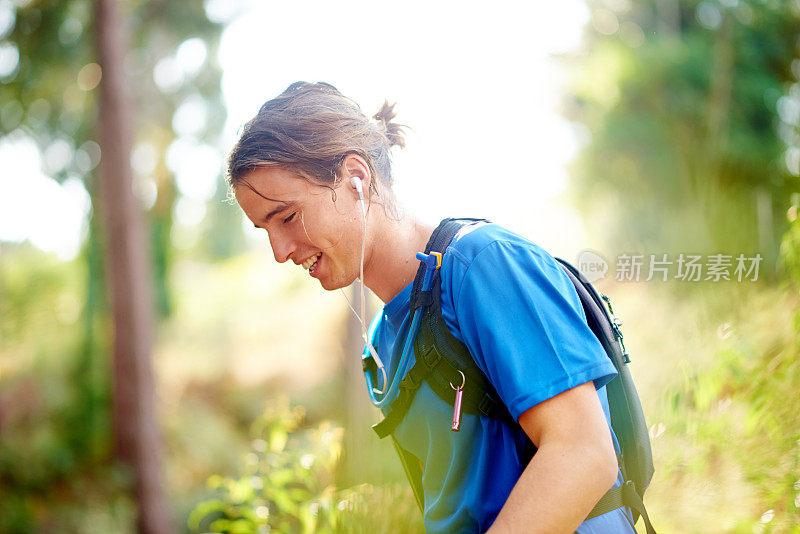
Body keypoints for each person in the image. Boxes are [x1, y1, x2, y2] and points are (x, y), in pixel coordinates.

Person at [227, 81, 637, 533]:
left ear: (355, 178)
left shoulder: (483, 265)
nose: (279, 251)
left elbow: (584, 453)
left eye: (286, 217)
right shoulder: (384, 342)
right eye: (263, 230)